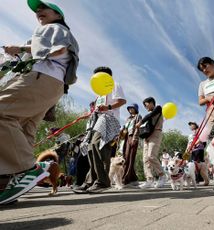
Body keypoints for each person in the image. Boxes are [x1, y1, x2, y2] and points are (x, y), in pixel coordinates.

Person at [0, 0, 79, 204]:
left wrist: (21, 49)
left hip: (41, 78)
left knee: (2, 114)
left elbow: (59, 49)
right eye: (37, 10)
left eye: (43, 8)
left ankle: (28, 169)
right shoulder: (50, 30)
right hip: (51, 86)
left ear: (58, 14)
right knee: (24, 128)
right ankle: (9, 181)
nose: (39, 11)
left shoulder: (56, 28)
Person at [73, 66, 126, 194]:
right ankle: (90, 181)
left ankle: (103, 182)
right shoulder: (99, 93)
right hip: (97, 121)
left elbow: (122, 101)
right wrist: (87, 115)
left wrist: (108, 106)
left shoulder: (114, 85)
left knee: (98, 147)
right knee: (90, 147)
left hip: (109, 120)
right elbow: (96, 110)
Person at [136, 97, 166, 189]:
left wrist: (140, 122)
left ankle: (162, 175)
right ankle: (149, 179)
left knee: (151, 156)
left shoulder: (158, 108)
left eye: (146, 104)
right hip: (147, 137)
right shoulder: (148, 114)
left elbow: (150, 115)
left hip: (156, 133)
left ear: (152, 102)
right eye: (144, 106)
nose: (146, 107)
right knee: (145, 159)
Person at [121, 103, 142, 186]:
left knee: (130, 157)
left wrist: (135, 138)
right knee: (126, 157)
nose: (130, 109)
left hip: (133, 137)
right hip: (126, 138)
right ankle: (133, 179)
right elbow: (125, 129)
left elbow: (138, 128)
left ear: (135, 109)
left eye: (132, 108)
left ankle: (126, 179)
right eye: (129, 108)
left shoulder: (138, 116)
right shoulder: (128, 119)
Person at [186, 122, 209, 186]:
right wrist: (187, 150)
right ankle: (196, 180)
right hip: (193, 151)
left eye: (191, 124)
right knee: (192, 166)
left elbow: (201, 139)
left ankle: (204, 180)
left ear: (195, 125)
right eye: (189, 125)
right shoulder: (190, 135)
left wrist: (195, 144)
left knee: (200, 166)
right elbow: (189, 144)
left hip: (199, 150)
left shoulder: (200, 131)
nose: (190, 126)